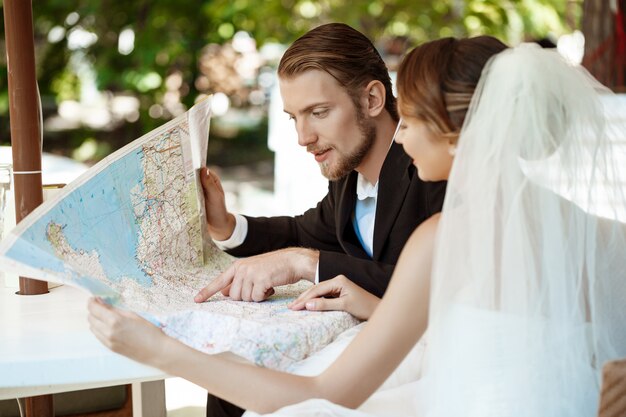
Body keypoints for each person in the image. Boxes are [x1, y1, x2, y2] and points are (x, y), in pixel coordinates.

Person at [88, 36, 626, 416]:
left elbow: (328, 393)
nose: (405, 137)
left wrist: (161, 352)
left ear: (461, 137)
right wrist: (229, 225)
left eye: (411, 120)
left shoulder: (442, 234)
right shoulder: (593, 233)